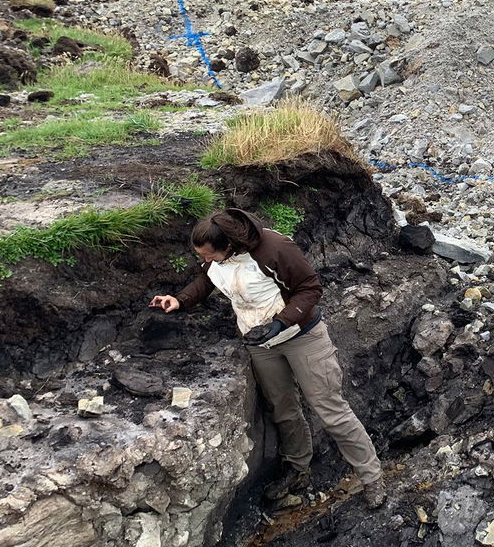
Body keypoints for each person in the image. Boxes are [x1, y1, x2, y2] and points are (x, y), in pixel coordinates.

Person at [149, 208, 387, 508]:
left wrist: (280, 322)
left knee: (331, 411)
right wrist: (180, 299)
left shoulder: (275, 249)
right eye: (202, 255)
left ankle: (372, 477)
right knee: (283, 409)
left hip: (302, 337)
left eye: (209, 254)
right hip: (259, 343)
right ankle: (297, 467)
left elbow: (310, 288)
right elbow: (208, 278)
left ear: (229, 246)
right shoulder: (217, 259)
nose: (205, 260)